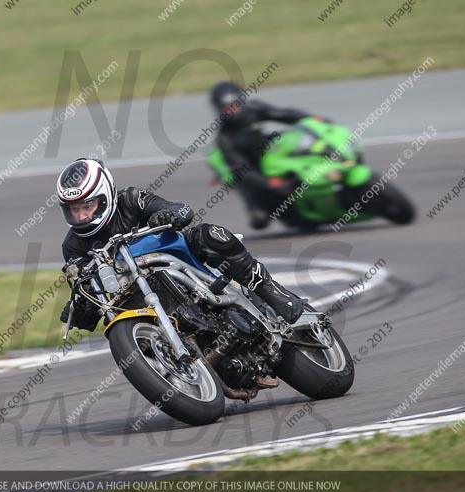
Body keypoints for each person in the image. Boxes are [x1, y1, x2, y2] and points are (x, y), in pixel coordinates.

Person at [57, 158, 305, 335]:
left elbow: (178, 208)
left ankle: (270, 291)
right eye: (73, 210)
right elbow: (84, 284)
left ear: (105, 196)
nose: (81, 216)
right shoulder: (73, 245)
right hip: (136, 295)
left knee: (207, 234)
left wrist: (167, 216)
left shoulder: (130, 200)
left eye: (86, 207)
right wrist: (79, 305)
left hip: (173, 258)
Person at [210, 80, 310, 229]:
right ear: (219, 108)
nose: (233, 109)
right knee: (259, 219)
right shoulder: (225, 139)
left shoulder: (254, 109)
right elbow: (243, 171)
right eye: (227, 107)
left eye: (235, 104)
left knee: (295, 140)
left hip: (268, 152)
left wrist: (311, 119)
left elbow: (283, 114)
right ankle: (256, 207)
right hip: (251, 169)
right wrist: (271, 184)